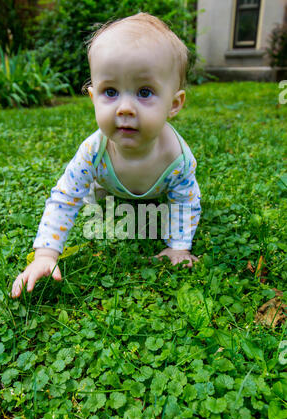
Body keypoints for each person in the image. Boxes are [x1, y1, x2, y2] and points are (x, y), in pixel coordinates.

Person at [11, 12, 201, 299]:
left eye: (145, 92)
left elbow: (185, 200)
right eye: (110, 91)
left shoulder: (178, 158)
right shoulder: (93, 152)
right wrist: (45, 254)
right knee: (93, 198)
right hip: (107, 186)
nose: (124, 108)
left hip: (157, 190)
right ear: (92, 97)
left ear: (174, 104)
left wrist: (178, 246)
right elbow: (65, 198)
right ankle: (101, 191)